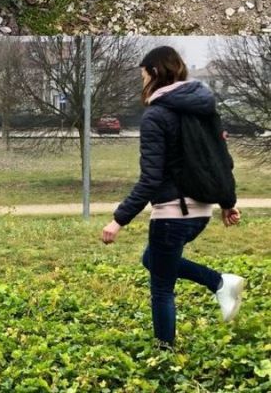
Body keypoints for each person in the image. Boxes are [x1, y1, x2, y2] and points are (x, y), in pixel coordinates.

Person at [101, 46, 244, 349]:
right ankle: (218, 281)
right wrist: (227, 202)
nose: (142, 82)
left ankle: (164, 352)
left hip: (172, 215)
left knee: (162, 289)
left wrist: (118, 220)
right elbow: (221, 159)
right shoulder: (203, 108)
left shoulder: (156, 115)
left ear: (154, 73)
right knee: (151, 259)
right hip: (200, 213)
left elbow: (151, 178)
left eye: (142, 75)